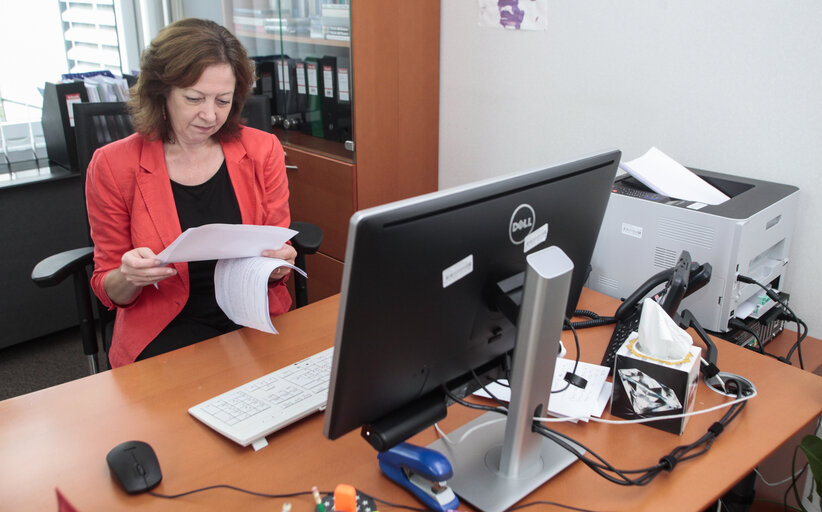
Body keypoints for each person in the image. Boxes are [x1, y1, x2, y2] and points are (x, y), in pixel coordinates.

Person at [85, 18, 296, 368]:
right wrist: (128, 276)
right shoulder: (113, 165)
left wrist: (278, 267)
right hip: (166, 326)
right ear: (162, 92)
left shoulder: (263, 150)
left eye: (223, 100)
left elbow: (278, 256)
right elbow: (108, 287)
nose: (210, 115)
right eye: (194, 98)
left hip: (251, 314)